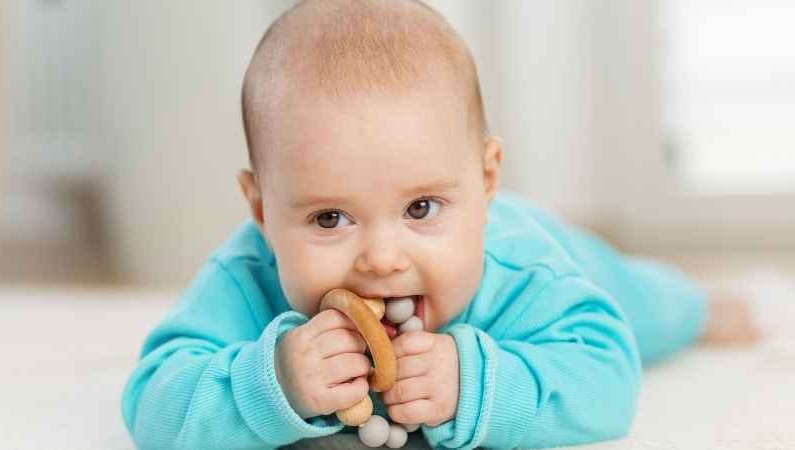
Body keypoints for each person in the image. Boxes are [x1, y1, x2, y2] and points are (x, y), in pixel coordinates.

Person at [121, 1, 759, 448]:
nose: (379, 257)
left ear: (484, 181)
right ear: (260, 209)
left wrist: (480, 384)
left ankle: (696, 305)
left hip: (554, 250)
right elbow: (153, 403)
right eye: (329, 217)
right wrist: (273, 382)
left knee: (644, 305)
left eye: (420, 208)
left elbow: (608, 380)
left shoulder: (521, 274)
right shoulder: (245, 277)